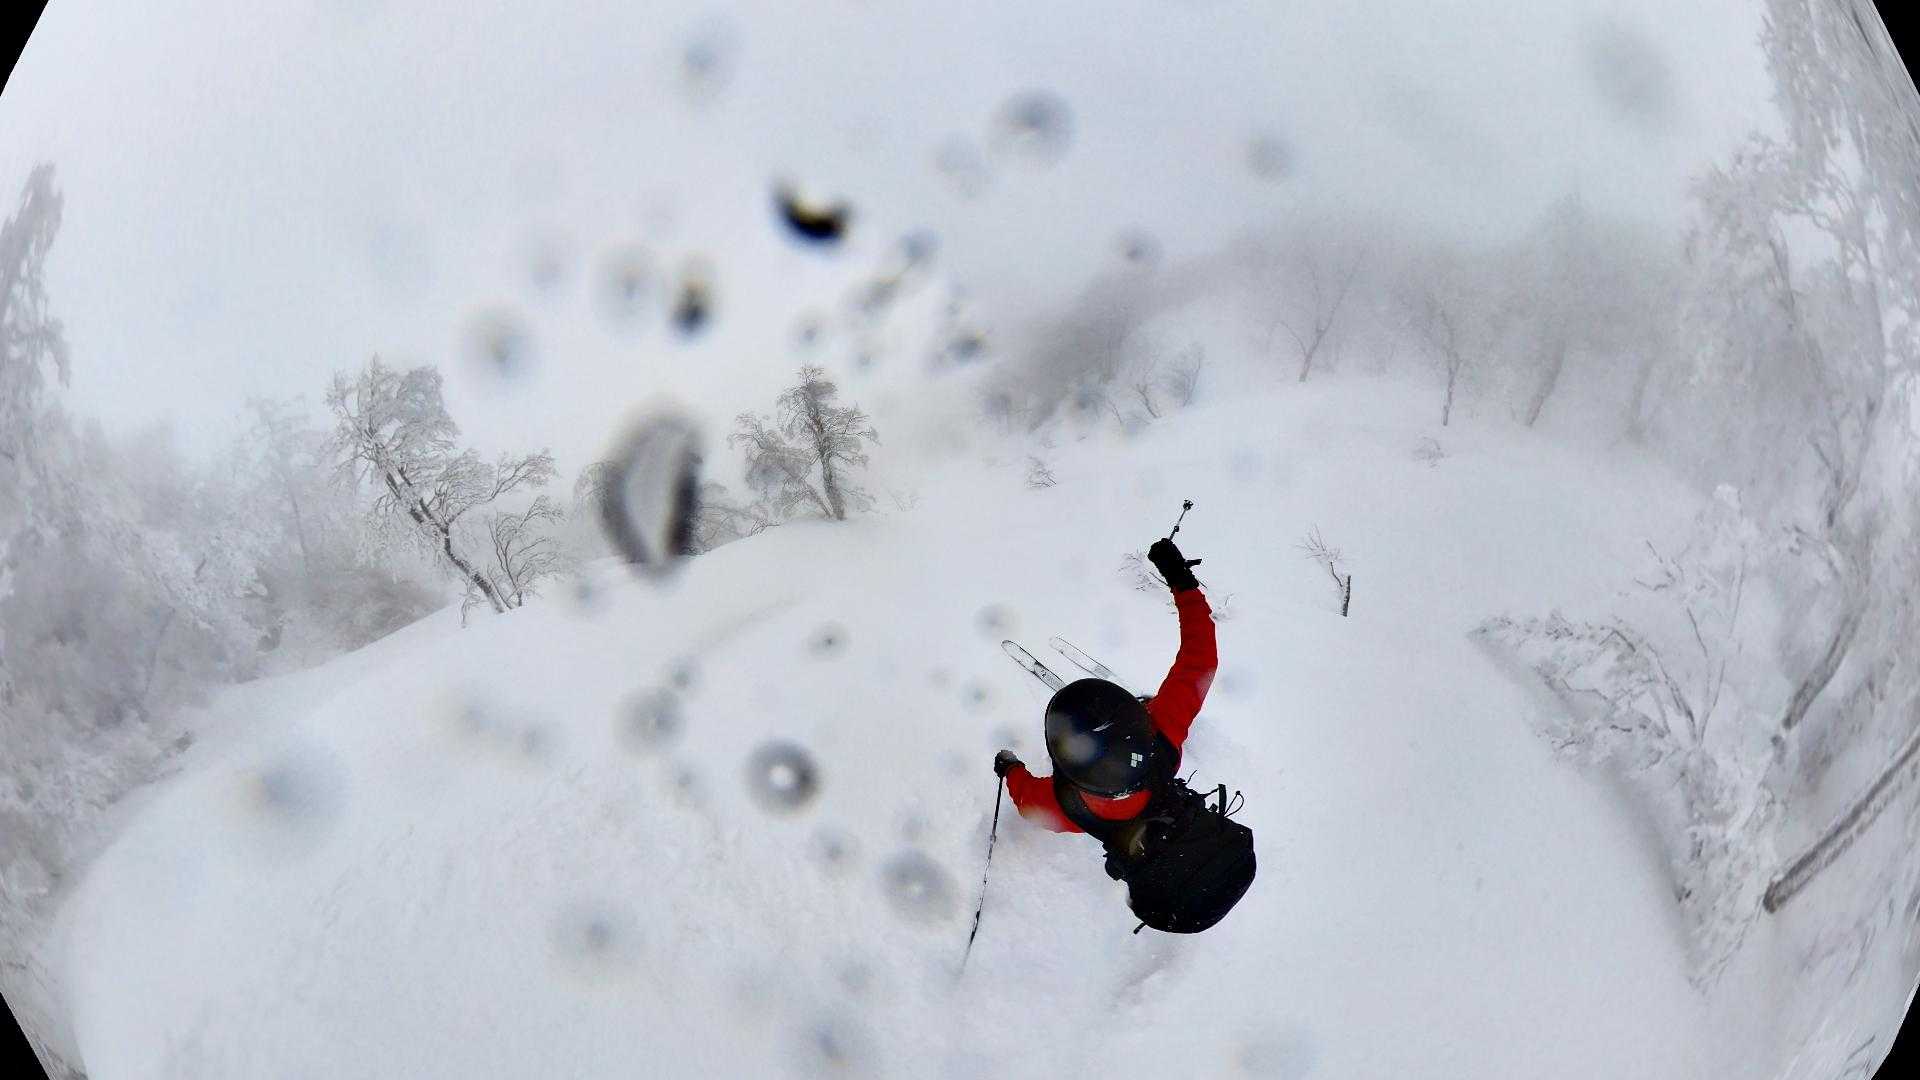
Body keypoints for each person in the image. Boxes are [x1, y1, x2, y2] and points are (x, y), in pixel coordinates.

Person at [992, 537, 1216, 858]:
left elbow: (1027, 802)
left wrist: (1010, 768)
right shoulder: (1165, 737)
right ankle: (1141, 709)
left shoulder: (1068, 807)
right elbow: (1200, 660)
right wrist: (1182, 581)